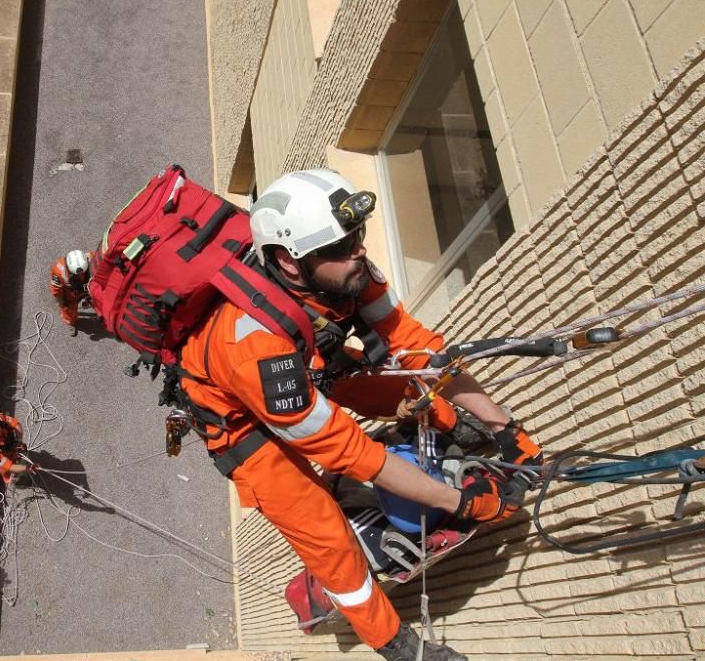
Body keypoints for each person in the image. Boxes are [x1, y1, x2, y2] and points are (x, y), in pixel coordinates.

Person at [177, 169, 542, 660]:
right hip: (241, 426)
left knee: (406, 388)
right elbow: (351, 452)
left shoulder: (347, 270)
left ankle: (463, 431)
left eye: (359, 237)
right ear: (289, 261)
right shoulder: (251, 344)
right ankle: (398, 647)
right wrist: (462, 504)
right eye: (342, 247)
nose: (360, 252)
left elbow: (416, 346)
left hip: (305, 362)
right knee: (324, 532)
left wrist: (508, 431)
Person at [49, 249, 93, 333]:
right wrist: (62, 304)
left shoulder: (93, 259)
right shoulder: (59, 270)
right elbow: (56, 290)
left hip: (90, 287)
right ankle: (70, 321)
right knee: (69, 312)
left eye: (82, 273)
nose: (81, 275)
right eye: (78, 274)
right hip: (71, 293)